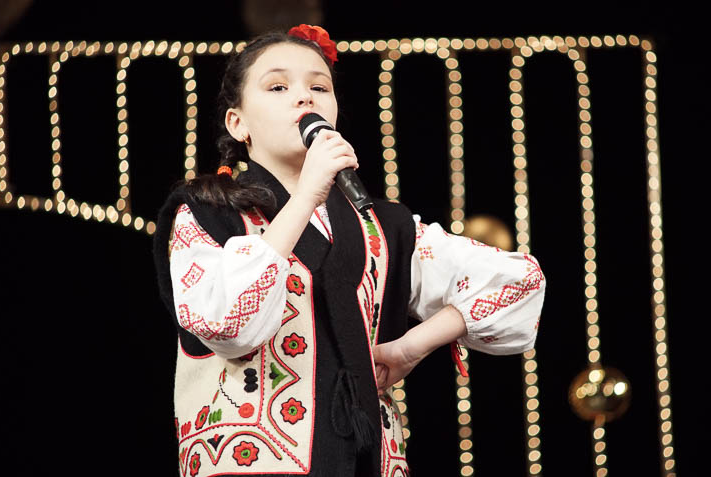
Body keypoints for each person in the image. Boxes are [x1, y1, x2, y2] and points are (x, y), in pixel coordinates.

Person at [152, 24, 546, 477]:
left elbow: (520, 281)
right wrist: (306, 195)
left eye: (319, 87)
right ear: (237, 123)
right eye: (278, 86)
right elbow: (227, 325)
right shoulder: (205, 212)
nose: (304, 97)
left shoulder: (384, 225)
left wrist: (413, 346)